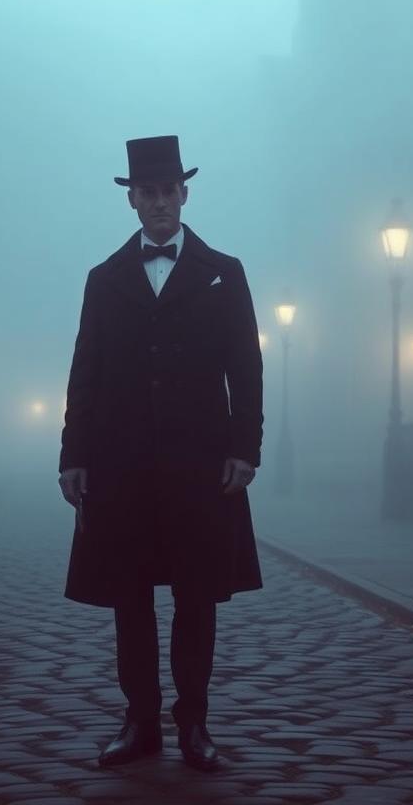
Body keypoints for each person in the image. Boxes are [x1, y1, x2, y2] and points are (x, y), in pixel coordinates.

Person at [58, 134, 263, 772]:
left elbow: (246, 369)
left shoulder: (224, 272)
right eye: (146, 193)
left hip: (201, 463)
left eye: (167, 191)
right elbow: (84, 369)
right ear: (133, 201)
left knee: (197, 597)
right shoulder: (104, 278)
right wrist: (74, 454)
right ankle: (140, 721)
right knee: (130, 598)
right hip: (121, 464)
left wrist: (244, 448)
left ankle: (194, 724)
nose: (158, 203)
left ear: (184, 193)